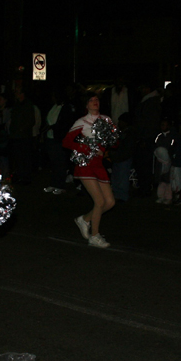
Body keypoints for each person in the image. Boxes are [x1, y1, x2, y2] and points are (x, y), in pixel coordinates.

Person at [63, 93, 116, 248]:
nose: (95, 102)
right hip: (86, 164)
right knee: (99, 201)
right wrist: (85, 148)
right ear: (86, 105)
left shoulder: (106, 120)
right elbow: (66, 141)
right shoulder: (81, 121)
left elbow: (114, 143)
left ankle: (85, 219)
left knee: (110, 202)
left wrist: (108, 145)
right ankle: (95, 236)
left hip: (99, 164)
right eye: (91, 100)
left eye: (97, 100)